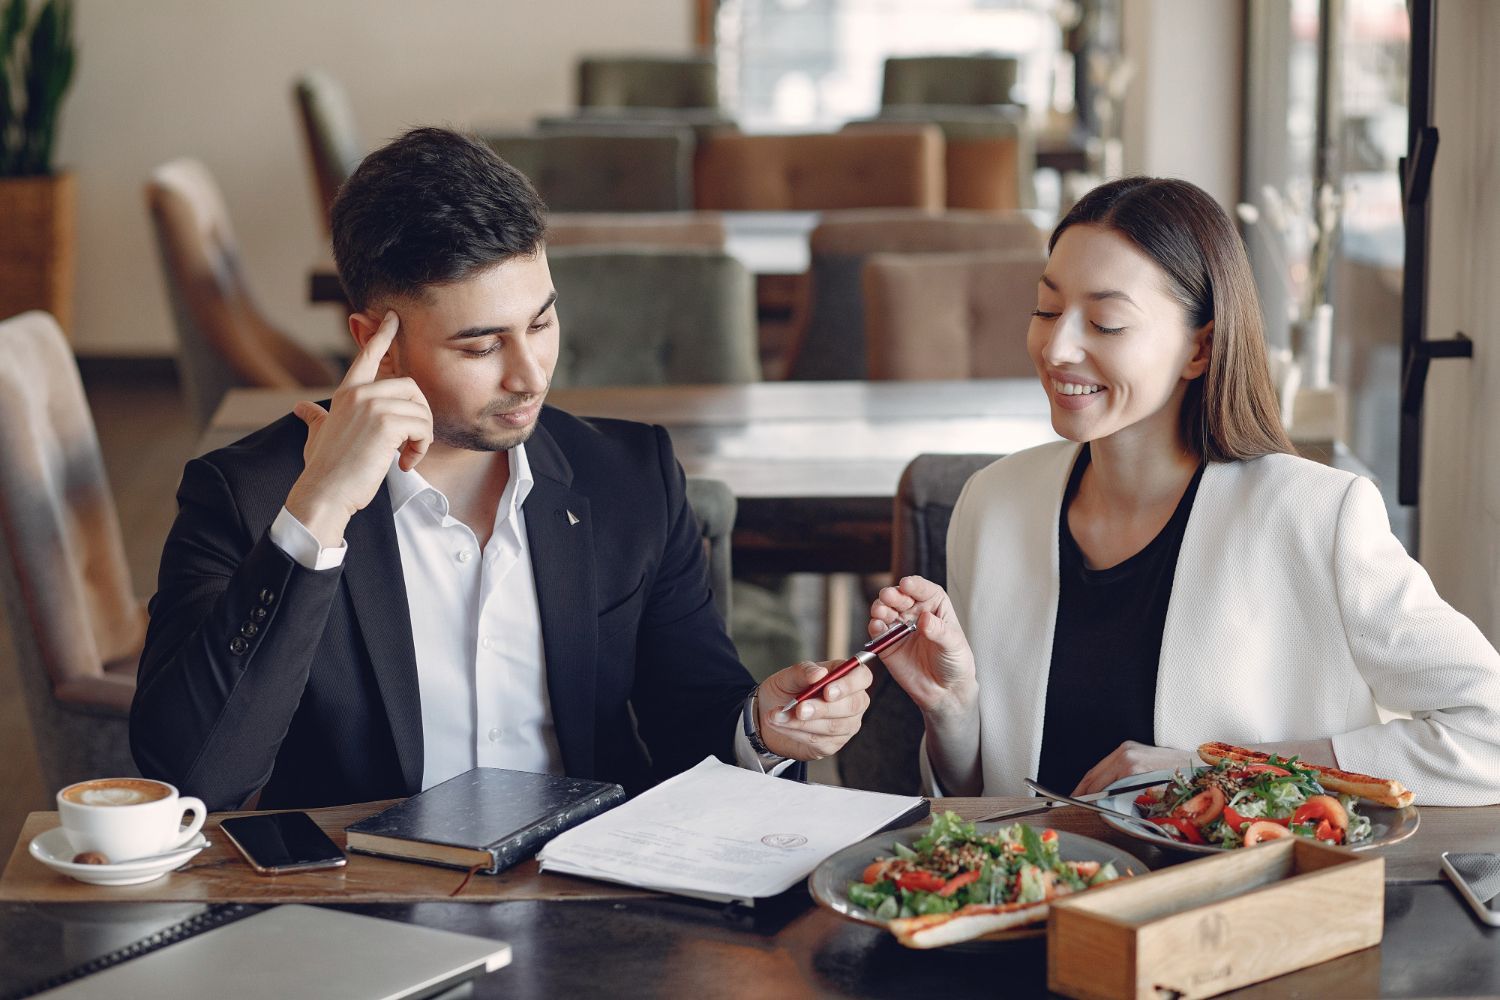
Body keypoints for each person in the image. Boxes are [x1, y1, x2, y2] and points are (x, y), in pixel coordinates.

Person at [131, 127, 872, 811]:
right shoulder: (249, 496)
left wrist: (762, 727)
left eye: (542, 323)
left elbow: (694, 717)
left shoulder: (631, 478)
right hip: (370, 912)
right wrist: (319, 511)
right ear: (377, 345)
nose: (530, 375)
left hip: (593, 902)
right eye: (481, 346)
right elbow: (195, 778)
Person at [869, 176, 1500, 806]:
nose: (1058, 347)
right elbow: (984, 799)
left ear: (1200, 348)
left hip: (1231, 900)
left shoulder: (1315, 516)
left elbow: (1486, 734)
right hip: (1034, 898)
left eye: (1106, 322)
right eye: (1047, 308)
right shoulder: (993, 502)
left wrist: (1215, 767)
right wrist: (951, 710)